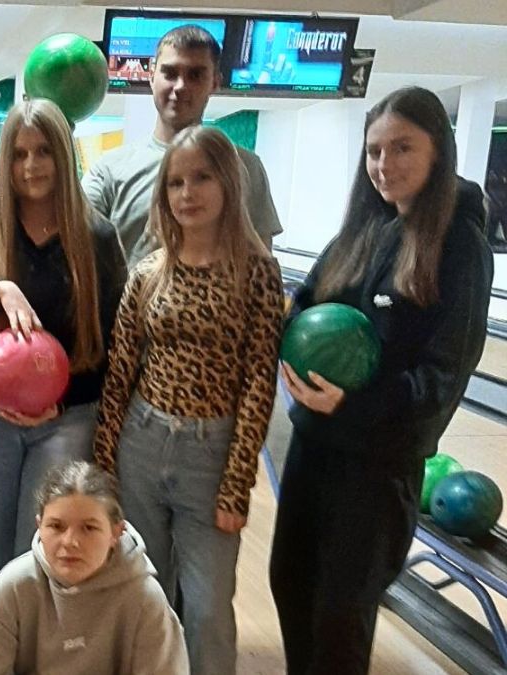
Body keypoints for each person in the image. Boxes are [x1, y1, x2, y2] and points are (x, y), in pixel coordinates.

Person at [269, 86, 494, 674]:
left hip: (376, 467)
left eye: (402, 148)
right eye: (374, 151)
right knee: (291, 585)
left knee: (340, 617)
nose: (384, 164)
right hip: (315, 447)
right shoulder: (360, 231)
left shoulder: (458, 245)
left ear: (438, 150)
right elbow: (305, 304)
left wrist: (353, 403)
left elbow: (442, 378)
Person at [93, 125, 283, 675]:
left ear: (228, 184)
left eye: (201, 178)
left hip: (211, 454)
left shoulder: (257, 273)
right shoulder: (148, 272)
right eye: (175, 182)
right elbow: (121, 371)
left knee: (207, 608)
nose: (187, 193)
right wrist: (105, 465)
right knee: (143, 594)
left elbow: (258, 383)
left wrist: (237, 483)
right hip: (142, 442)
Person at [0, 98, 127, 593]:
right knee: (1, 545)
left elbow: (113, 341)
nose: (31, 165)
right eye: (19, 154)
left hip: (68, 415)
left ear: (63, 155)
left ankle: (43, 633)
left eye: (43, 151)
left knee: (42, 544)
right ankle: (1, 631)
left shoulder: (95, 235)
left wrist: (58, 402)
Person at [0, 460, 189, 675]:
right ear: (39, 526)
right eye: (56, 526)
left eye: (89, 528)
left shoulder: (145, 599)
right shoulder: (13, 587)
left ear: (116, 533)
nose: (70, 542)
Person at [82, 25, 282, 265]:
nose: (180, 86)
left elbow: (262, 263)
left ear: (215, 82)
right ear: (151, 76)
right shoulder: (108, 170)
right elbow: (75, 247)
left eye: (195, 75)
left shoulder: (247, 168)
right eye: (169, 73)